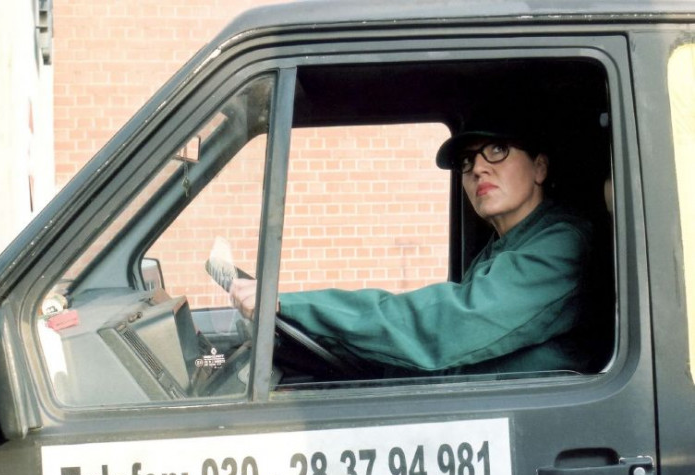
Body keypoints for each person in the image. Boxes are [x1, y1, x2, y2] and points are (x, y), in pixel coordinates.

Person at [229, 112, 593, 375]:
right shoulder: (506, 245)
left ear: (539, 168)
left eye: (497, 150)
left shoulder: (560, 244)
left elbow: (446, 325)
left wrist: (294, 306)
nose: (478, 168)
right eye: (467, 161)